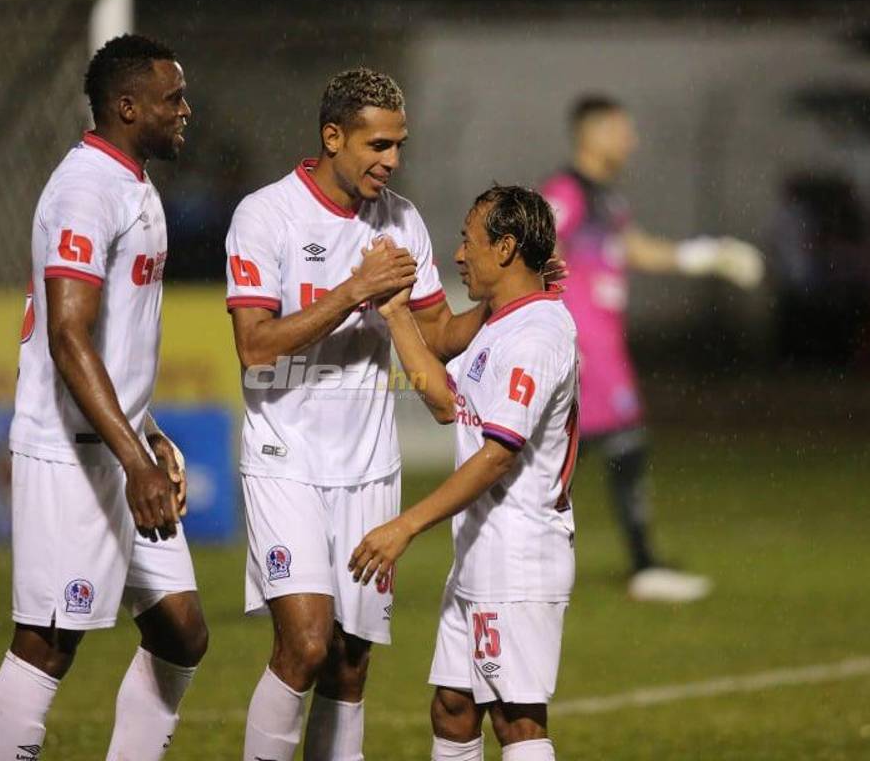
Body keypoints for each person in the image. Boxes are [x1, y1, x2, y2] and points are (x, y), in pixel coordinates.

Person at [226, 68, 502, 761]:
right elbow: (255, 349)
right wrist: (356, 289)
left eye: (399, 145)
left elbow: (438, 336)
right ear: (333, 137)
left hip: (369, 467)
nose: (392, 160)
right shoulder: (266, 216)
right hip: (285, 459)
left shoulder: (401, 221)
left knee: (349, 659)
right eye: (378, 145)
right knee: (306, 643)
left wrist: (509, 299)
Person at [0, 35, 208, 761]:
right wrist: (135, 460)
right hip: (72, 455)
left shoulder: (132, 184)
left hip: (119, 446)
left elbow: (113, 343)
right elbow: (69, 336)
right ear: (127, 106)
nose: (185, 111)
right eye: (173, 98)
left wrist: (149, 433)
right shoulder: (84, 190)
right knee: (47, 642)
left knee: (180, 631)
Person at [350, 185, 578, 761]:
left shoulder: (536, 336)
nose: (458, 255)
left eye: (467, 241)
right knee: (453, 707)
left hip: (519, 557)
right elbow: (446, 404)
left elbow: (498, 454)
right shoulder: (499, 323)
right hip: (481, 550)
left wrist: (406, 525)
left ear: (505, 248)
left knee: (516, 719)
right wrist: (396, 313)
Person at [539, 95, 762, 603]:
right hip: (584, 343)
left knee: (574, 451)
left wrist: (706, 255)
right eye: (622, 131)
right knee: (618, 441)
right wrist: (553, 326)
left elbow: (633, 248)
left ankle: (543, 551)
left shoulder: (607, 199)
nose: (631, 141)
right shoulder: (565, 192)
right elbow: (538, 243)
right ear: (592, 133)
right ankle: (642, 565)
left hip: (603, 341)